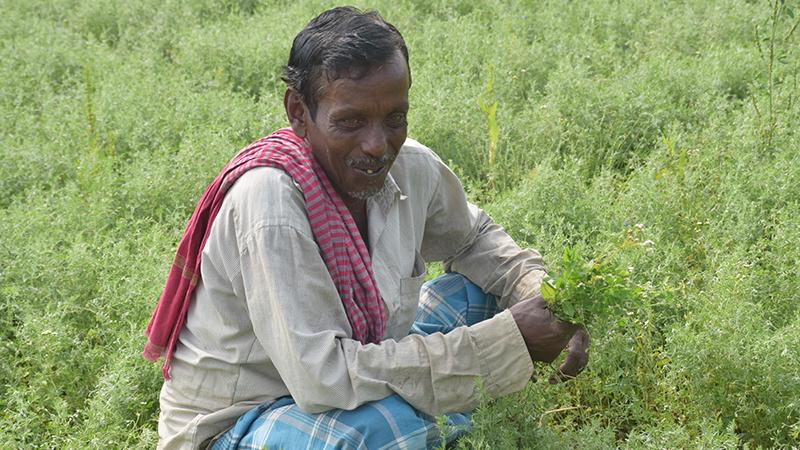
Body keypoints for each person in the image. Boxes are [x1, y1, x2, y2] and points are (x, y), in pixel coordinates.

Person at [145, 6, 589, 449]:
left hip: (357, 366)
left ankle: (439, 417)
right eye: (351, 122)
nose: (378, 145)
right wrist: (504, 345)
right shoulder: (270, 204)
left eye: (394, 118)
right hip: (243, 420)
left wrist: (542, 296)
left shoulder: (410, 167)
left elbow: (474, 239)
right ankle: (441, 423)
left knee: (489, 294)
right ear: (298, 111)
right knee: (387, 428)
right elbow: (325, 380)